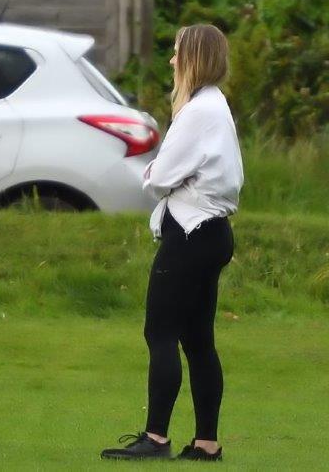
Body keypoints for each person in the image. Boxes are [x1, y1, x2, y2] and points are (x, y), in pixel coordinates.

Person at [101, 24, 243, 461]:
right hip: (214, 232)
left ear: (193, 58)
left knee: (159, 332)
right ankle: (206, 444)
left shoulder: (198, 111)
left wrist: (153, 174)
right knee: (198, 340)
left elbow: (160, 177)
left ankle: (156, 438)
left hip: (191, 231)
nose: (171, 60)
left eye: (177, 52)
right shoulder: (216, 105)